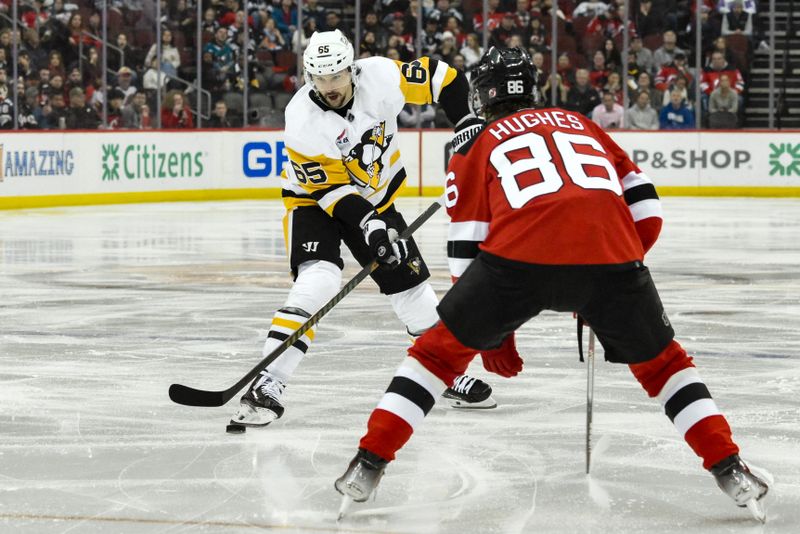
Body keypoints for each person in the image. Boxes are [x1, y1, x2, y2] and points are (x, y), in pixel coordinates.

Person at [334, 47, 770, 522]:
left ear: (486, 94)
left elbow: (466, 242)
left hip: (516, 263)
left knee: (435, 359)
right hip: (612, 260)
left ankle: (367, 465)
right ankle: (731, 469)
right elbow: (647, 206)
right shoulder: (583, 124)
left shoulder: (475, 144)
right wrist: (616, 269)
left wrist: (486, 334)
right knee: (666, 367)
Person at [229, 30, 503, 428]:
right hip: (314, 201)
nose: (330, 87)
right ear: (309, 78)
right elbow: (332, 191)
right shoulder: (302, 119)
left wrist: (465, 120)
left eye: (336, 76)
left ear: (351, 70)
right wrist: (370, 227)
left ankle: (445, 370)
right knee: (318, 280)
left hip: (377, 197)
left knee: (409, 286)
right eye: (321, 79)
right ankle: (268, 381)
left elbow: (444, 76)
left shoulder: (382, 77)